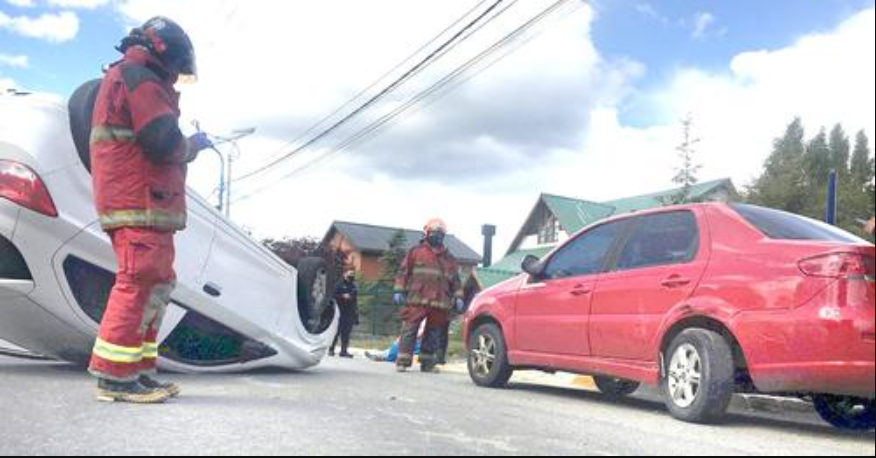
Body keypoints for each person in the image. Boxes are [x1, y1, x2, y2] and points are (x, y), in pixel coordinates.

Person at [87, 17, 213, 404]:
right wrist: (191, 146)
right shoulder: (139, 78)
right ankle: (114, 377)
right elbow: (161, 140)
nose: (176, 76)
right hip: (138, 200)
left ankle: (136, 371)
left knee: (155, 283)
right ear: (166, 52)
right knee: (139, 281)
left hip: (145, 201)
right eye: (176, 67)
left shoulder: (133, 76)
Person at [392, 218, 465, 374]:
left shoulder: (449, 258)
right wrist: (398, 289)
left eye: (440, 233)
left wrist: (459, 296)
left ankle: (427, 363)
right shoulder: (415, 252)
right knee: (410, 330)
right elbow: (403, 272)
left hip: (439, 302)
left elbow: (456, 280)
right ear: (426, 233)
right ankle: (403, 361)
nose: (437, 236)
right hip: (417, 299)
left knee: (433, 333)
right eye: (433, 232)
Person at [330, 272, 359, 358]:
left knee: (346, 333)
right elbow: (333, 295)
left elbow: (355, 300)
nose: (351, 276)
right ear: (344, 275)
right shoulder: (339, 285)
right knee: (336, 332)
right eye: (349, 275)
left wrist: (356, 315)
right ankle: (331, 349)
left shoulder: (353, 286)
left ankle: (344, 351)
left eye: (352, 275)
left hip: (349, 313)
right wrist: (342, 296)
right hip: (339, 312)